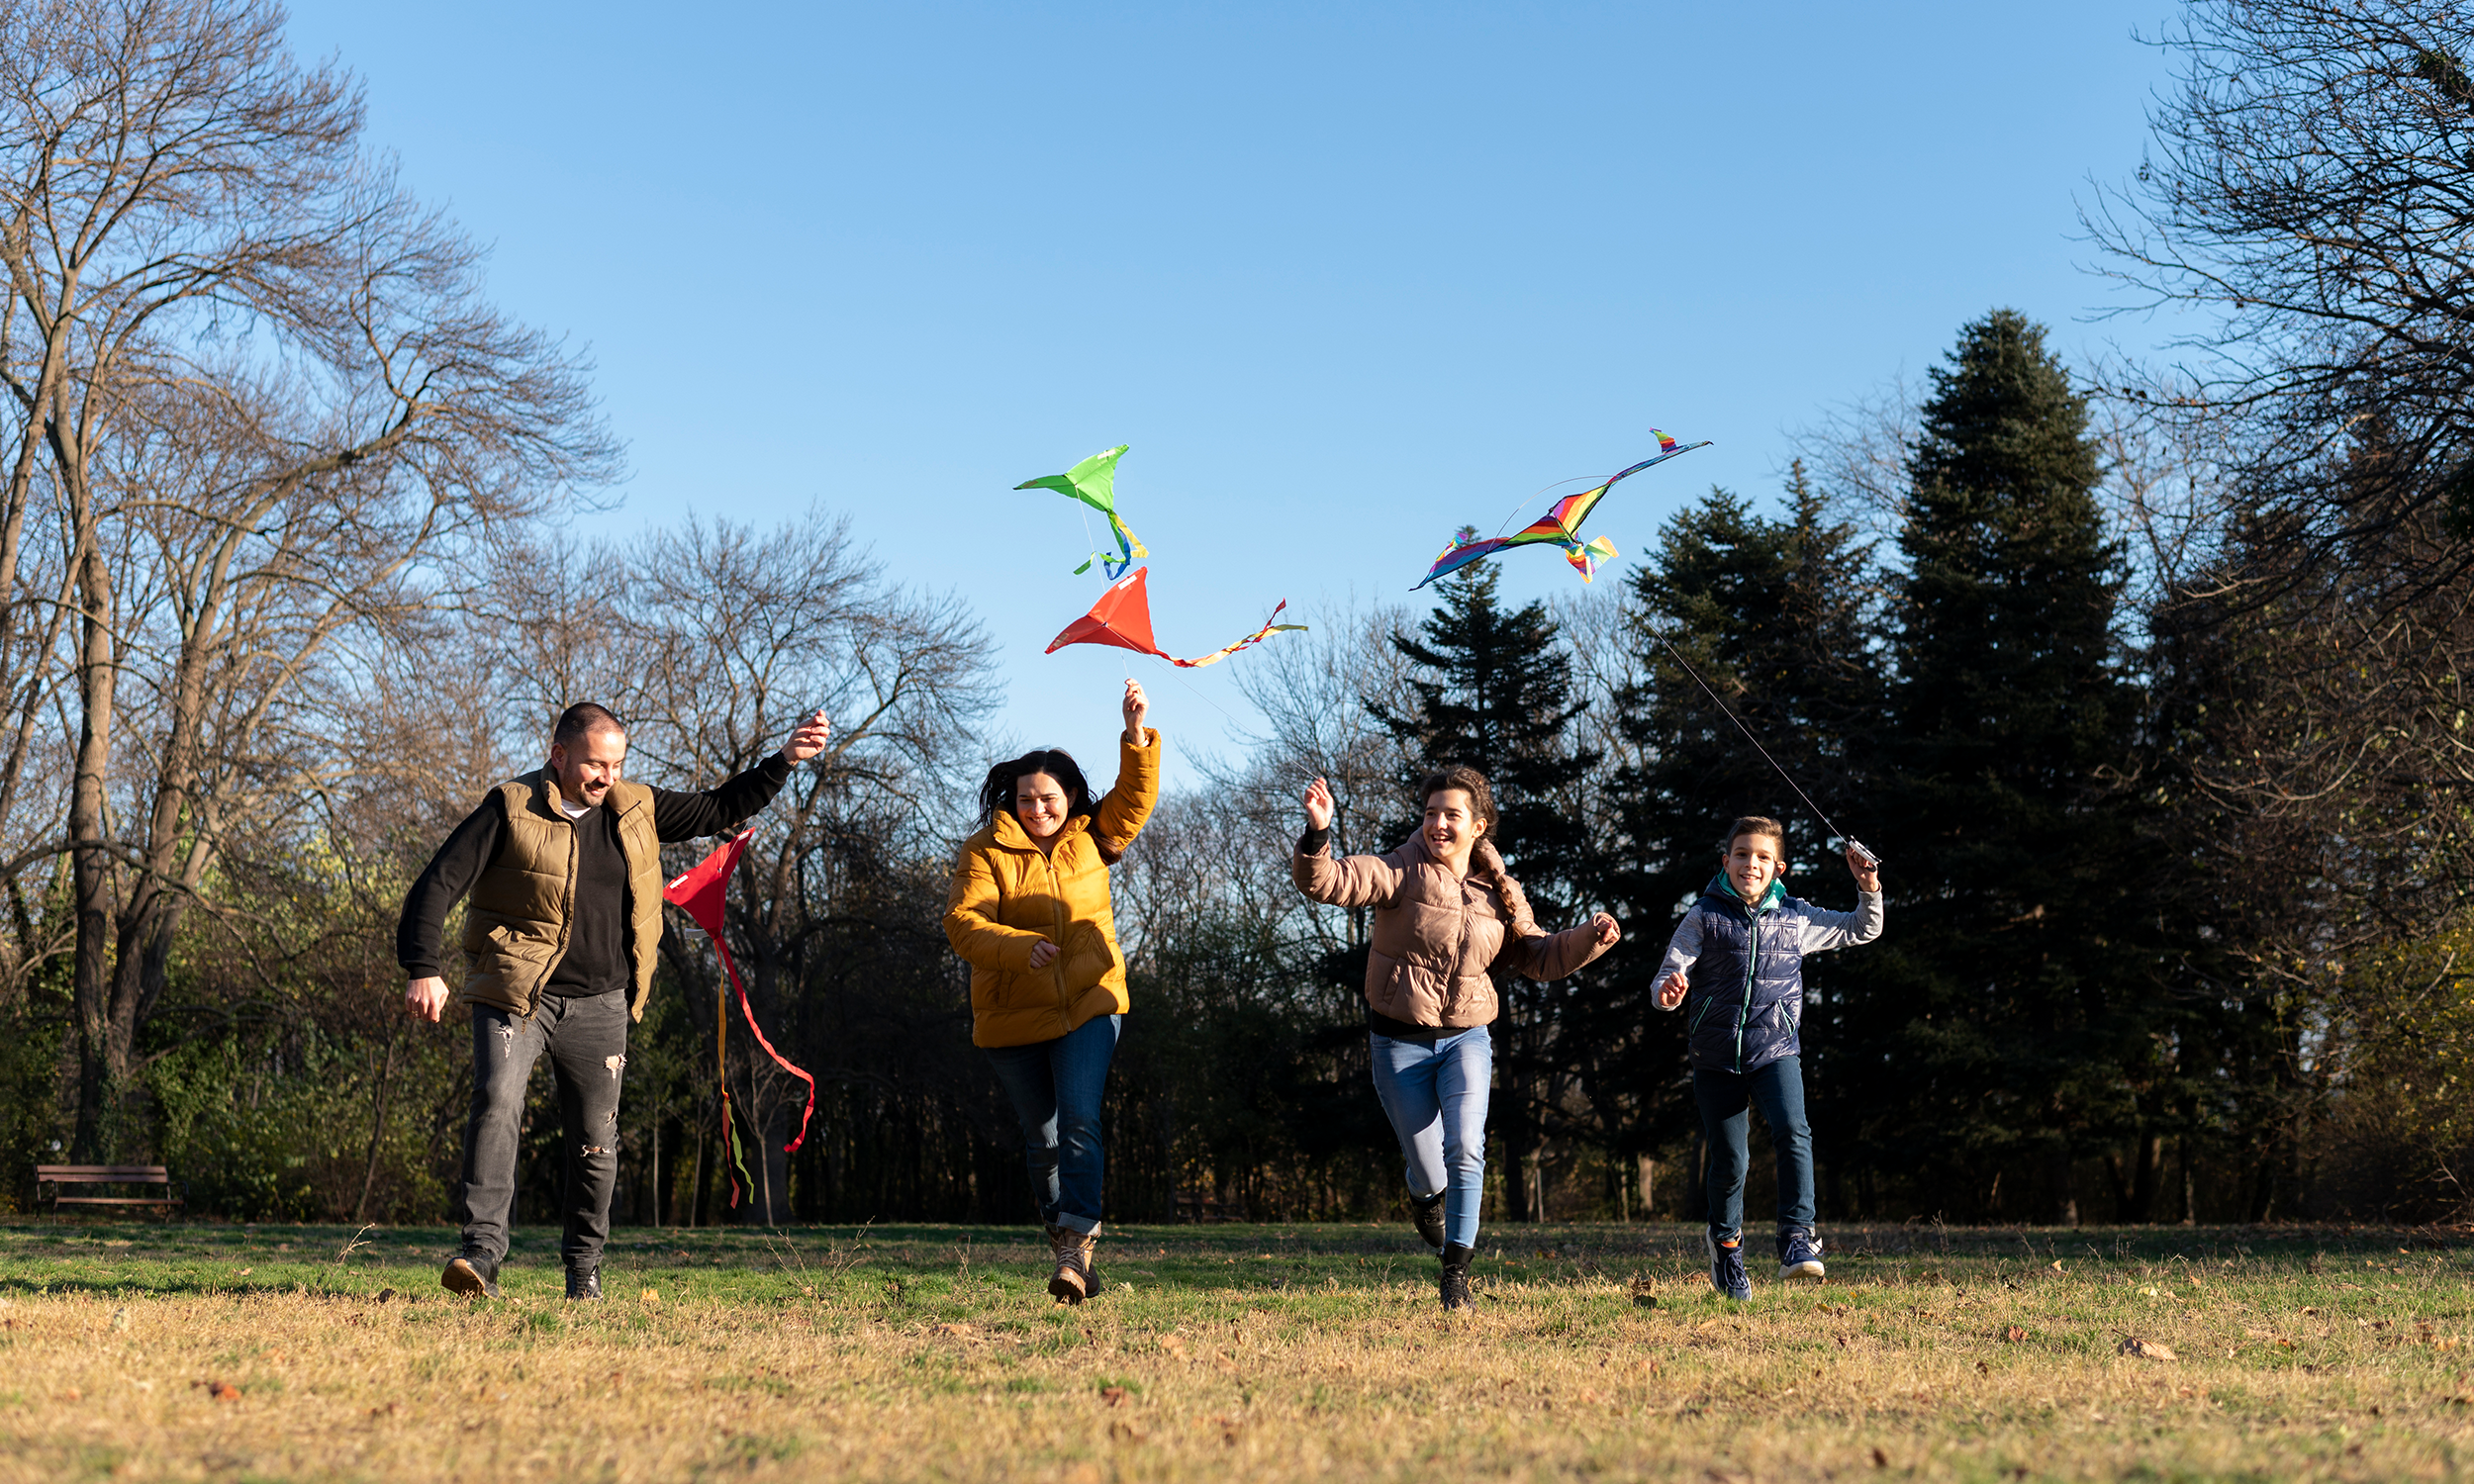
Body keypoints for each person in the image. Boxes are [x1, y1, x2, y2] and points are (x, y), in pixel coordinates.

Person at [399, 701, 831, 1301]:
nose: (606, 776)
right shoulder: (512, 807)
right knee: (497, 1102)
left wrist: (784, 760)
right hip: (519, 993)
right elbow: (438, 883)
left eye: (617, 764)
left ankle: (584, 1272)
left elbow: (717, 808)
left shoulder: (635, 808)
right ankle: (481, 1256)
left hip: (602, 1004)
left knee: (596, 1142)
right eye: (594, 764)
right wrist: (424, 967)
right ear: (559, 756)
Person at [1292, 766, 1619, 1311]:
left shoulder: (1500, 893)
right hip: (1397, 1042)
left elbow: (1537, 954)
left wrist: (1590, 937)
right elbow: (1329, 881)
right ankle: (1425, 1198)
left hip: (1466, 1036)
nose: (1439, 824)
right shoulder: (1400, 869)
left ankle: (1455, 1275)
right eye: (1431, 813)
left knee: (1467, 1147)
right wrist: (1319, 834)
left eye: (1452, 815)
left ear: (1479, 826)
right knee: (1429, 1168)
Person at [943, 679, 1159, 1304]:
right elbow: (964, 923)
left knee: (1081, 1121)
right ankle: (1065, 1242)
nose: (1038, 808)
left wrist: (1137, 734)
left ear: (1069, 798)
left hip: (1091, 1002)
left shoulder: (1092, 837)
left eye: (1050, 797)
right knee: (1042, 1138)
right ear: (1011, 802)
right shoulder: (983, 851)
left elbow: (1135, 799)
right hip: (1012, 1012)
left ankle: (1076, 1243)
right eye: (1026, 799)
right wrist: (1018, 946)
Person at [1655, 815, 1882, 1300]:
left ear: (1779, 868)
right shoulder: (1704, 916)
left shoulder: (1796, 917)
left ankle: (1798, 1238)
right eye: (1741, 855)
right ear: (1725, 862)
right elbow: (1667, 975)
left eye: (1762, 857)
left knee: (1793, 1132)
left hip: (1775, 1049)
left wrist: (1868, 887)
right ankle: (1727, 1247)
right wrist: (1668, 993)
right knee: (1731, 1160)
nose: (1750, 864)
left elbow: (1862, 929)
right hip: (1715, 1057)